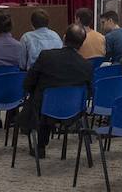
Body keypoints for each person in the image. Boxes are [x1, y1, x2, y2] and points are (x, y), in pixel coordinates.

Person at [20, 25, 94, 158]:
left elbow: (28, 83)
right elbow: (89, 91)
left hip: (44, 109)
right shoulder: (87, 65)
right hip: (74, 110)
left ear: (64, 38)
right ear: (82, 44)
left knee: (37, 99)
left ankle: (40, 145)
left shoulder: (46, 56)